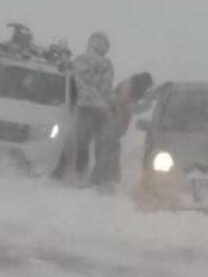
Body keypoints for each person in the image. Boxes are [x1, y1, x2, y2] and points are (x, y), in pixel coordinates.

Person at [60, 32, 114, 186]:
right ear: (103, 47)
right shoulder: (106, 64)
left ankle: (79, 173)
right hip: (100, 110)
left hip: (82, 108)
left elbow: (71, 85)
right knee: (100, 143)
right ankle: (98, 177)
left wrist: (74, 102)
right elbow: (106, 88)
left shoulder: (78, 61)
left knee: (82, 142)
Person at [95, 72, 155, 191]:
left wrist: (142, 105)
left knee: (111, 152)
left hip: (113, 127)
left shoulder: (133, 88)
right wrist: (143, 106)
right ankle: (104, 180)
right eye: (146, 87)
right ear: (143, 83)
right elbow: (123, 105)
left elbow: (128, 107)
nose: (146, 90)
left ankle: (108, 179)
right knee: (108, 152)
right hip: (110, 126)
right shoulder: (129, 87)